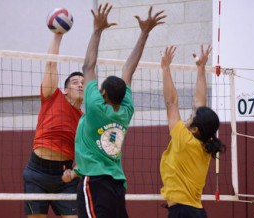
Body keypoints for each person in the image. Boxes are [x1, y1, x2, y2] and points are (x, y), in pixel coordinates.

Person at [61, 3, 166, 218]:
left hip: (95, 183)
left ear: (104, 95)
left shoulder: (95, 109)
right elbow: (129, 68)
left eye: (100, 89)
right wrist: (144, 33)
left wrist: (97, 30)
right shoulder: (125, 109)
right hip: (116, 183)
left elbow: (88, 66)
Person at [160, 45, 226, 218]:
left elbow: (171, 102)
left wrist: (165, 68)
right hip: (194, 211)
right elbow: (200, 103)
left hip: (183, 212)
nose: (189, 115)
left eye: (191, 116)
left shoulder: (184, 140)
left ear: (195, 129)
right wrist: (201, 68)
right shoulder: (205, 144)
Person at [22, 32, 84, 218]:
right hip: (37, 173)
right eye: (75, 82)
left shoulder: (85, 119)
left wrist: (75, 172)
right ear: (65, 90)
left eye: (83, 83)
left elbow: (85, 153)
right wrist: (58, 35)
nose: (80, 85)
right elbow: (50, 63)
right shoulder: (52, 96)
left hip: (64, 177)